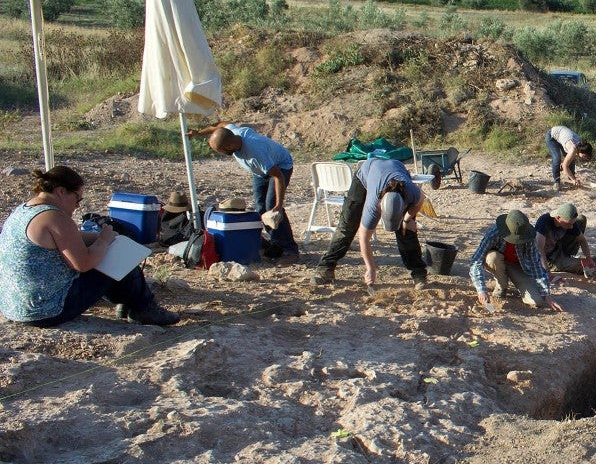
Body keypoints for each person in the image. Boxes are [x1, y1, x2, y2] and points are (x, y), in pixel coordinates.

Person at [0, 167, 179, 327]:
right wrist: (104, 241)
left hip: (15, 306)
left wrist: (104, 238)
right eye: (77, 198)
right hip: (46, 310)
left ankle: (129, 304)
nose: (78, 205)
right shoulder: (55, 217)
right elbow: (83, 264)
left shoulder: (25, 210)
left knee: (112, 248)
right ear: (61, 191)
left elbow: (70, 238)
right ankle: (143, 308)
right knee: (118, 257)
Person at [311, 157, 431, 287]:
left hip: (396, 166)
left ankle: (418, 273)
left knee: (406, 230)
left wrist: (407, 219)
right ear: (380, 207)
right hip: (365, 174)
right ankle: (326, 267)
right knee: (348, 224)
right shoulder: (373, 205)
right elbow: (363, 238)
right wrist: (370, 268)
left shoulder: (411, 192)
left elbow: (420, 200)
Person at [192, 122, 299, 263]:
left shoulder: (255, 153)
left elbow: (278, 176)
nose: (221, 154)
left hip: (280, 166)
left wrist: (278, 206)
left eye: (220, 151)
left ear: (229, 146)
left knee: (271, 207)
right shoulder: (232, 131)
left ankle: (290, 250)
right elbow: (220, 125)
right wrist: (199, 133)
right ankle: (276, 242)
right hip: (260, 171)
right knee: (260, 207)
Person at [470, 210, 564, 311]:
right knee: (492, 257)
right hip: (497, 261)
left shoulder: (529, 236)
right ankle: (501, 286)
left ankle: (517, 283)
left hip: (518, 266)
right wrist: (481, 290)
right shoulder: (494, 233)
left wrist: (547, 295)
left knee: (537, 301)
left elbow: (536, 266)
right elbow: (476, 261)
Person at [535, 203, 596, 275]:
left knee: (581, 219)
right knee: (581, 267)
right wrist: (547, 272)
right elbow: (539, 249)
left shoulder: (568, 222)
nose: (571, 227)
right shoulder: (544, 221)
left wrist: (588, 258)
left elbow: (582, 240)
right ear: (558, 217)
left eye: (572, 224)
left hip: (558, 247)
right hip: (549, 258)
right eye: (569, 224)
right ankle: (555, 265)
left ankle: (568, 256)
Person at [545, 125, 594, 191]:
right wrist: (573, 179)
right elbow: (565, 166)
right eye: (584, 156)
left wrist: (565, 165)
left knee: (571, 160)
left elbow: (567, 162)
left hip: (562, 136)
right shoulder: (573, 149)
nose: (584, 158)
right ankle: (557, 182)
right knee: (557, 159)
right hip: (552, 137)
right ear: (581, 151)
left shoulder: (580, 144)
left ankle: (571, 180)